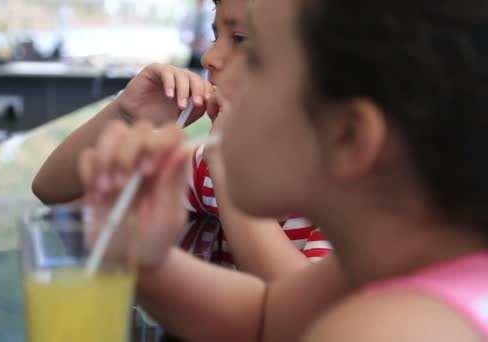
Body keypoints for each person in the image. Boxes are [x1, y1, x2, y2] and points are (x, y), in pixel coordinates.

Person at [79, 0, 488, 340]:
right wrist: (147, 260)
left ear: (346, 136)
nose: (217, 67)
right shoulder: (395, 264)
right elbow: (264, 319)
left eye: (255, 56)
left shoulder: (384, 330)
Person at [33, 0, 329, 280]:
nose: (209, 58)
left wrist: (229, 169)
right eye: (216, 36)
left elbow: (305, 308)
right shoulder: (206, 171)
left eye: (240, 38)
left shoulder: (350, 192)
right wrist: (126, 114)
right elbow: (62, 199)